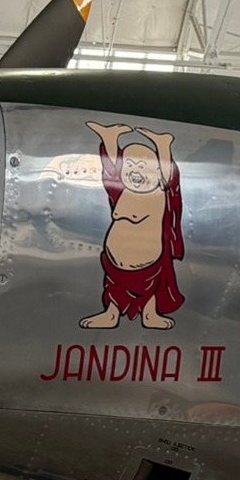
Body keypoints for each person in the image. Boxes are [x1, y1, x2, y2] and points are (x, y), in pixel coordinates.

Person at [80, 120, 184, 330]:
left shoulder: (160, 195)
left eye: (143, 166)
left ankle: (150, 313)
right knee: (114, 289)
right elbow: (111, 172)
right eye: (130, 165)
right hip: (115, 264)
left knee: (151, 288)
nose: (135, 170)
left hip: (149, 265)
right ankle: (111, 314)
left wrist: (163, 147)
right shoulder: (122, 192)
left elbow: (170, 179)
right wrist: (110, 140)